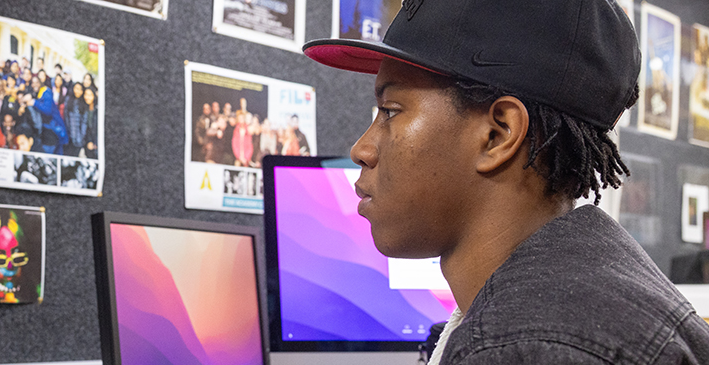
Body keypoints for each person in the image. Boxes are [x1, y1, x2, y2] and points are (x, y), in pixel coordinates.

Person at [302, 0, 709, 363]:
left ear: (497, 134)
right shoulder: (591, 281)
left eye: (390, 110)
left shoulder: (524, 344)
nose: (362, 149)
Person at [64, 83, 87, 157]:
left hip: (78, 138)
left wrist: (81, 136)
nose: (78, 91)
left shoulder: (83, 103)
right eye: (76, 88)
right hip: (69, 136)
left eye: (80, 89)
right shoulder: (68, 100)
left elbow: (84, 122)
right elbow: (66, 117)